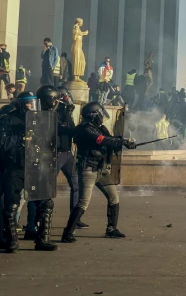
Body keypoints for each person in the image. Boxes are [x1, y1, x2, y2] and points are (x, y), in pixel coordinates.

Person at [61, 102, 136, 243]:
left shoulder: (99, 128)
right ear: (93, 115)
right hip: (88, 170)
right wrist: (121, 142)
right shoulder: (86, 129)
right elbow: (101, 140)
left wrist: (124, 141)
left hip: (101, 170)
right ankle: (67, 233)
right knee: (83, 203)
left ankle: (111, 229)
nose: (102, 116)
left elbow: (111, 139)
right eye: (100, 113)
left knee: (114, 197)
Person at [25, 85, 86, 241]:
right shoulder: (46, 114)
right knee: (42, 189)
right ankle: (33, 224)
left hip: (67, 153)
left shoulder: (62, 112)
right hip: (55, 153)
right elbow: (60, 129)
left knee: (76, 184)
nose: (63, 101)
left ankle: (75, 218)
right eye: (60, 99)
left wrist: (69, 115)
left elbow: (69, 127)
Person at [0, 91, 58, 252]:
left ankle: (43, 240)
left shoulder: (39, 120)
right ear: (20, 104)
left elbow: (48, 141)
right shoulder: (8, 120)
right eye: (28, 103)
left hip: (34, 166)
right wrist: (22, 135)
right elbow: (3, 144)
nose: (32, 106)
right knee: (11, 205)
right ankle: (11, 241)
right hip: (15, 167)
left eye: (34, 103)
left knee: (46, 203)